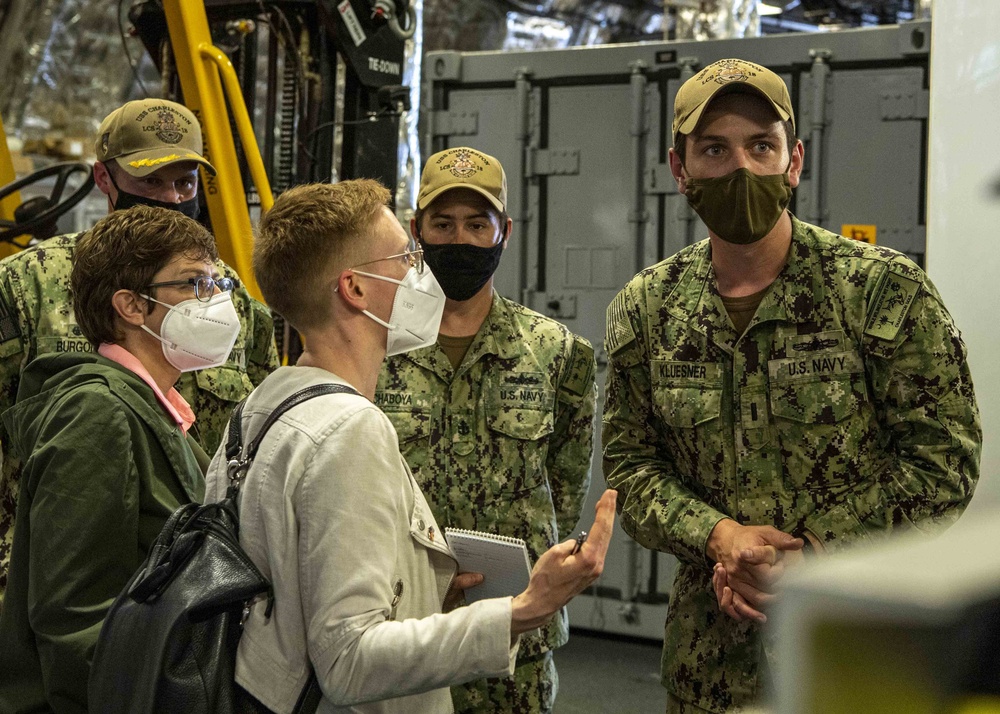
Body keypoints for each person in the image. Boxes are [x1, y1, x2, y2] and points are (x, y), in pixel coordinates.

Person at [602, 57, 981, 713]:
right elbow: (632, 469)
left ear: (794, 160)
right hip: (709, 670)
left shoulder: (880, 291)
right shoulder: (647, 308)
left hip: (859, 657)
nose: (741, 169)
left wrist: (818, 551)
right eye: (714, 150)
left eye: (761, 146)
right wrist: (718, 535)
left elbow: (943, 460)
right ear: (679, 170)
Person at [203, 179, 614, 713]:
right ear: (354, 288)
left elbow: (295, 594)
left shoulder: (259, 409)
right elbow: (349, 660)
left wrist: (423, 588)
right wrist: (525, 610)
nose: (422, 272)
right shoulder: (351, 429)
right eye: (405, 256)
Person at [0, 97, 279, 603]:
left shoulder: (228, 297)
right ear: (103, 179)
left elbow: (257, 434)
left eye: (185, 184)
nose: (171, 199)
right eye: (151, 181)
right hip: (58, 574)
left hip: (188, 587)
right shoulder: (28, 284)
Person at [375, 146, 597, 714]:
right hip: (400, 627)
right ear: (416, 230)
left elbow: (564, 490)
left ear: (505, 232)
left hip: (514, 636)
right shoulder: (376, 348)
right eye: (443, 224)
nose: (461, 240)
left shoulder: (556, 353)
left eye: (478, 225)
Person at [0, 205, 243, 713]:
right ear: (131, 305)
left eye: (218, 283)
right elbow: (75, 622)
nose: (218, 300)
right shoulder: (97, 412)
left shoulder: (149, 407)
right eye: (196, 284)